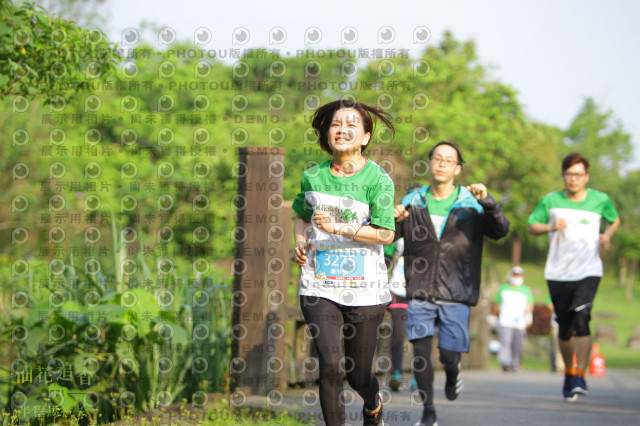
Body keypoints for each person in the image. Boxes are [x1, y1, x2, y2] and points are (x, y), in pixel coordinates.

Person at [292, 99, 396, 426]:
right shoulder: (312, 176)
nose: (342, 130)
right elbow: (299, 214)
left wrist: (339, 228)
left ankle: (372, 403)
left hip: (366, 290)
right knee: (330, 366)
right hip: (319, 285)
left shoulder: (378, 180)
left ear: (365, 137)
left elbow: (385, 235)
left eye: (352, 125)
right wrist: (299, 239)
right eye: (336, 124)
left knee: (358, 374)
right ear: (327, 133)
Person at [394, 141, 510, 426]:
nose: (443, 163)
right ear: (430, 164)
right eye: (437, 158)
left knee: (447, 355)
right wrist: (393, 219)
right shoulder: (413, 200)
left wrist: (489, 202)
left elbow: (501, 231)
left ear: (458, 169)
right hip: (420, 290)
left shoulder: (471, 203)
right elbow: (388, 237)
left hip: (456, 293)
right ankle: (429, 410)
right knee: (420, 354)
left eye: (449, 160)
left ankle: (454, 369)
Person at [528, 152, 619, 402]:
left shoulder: (600, 199)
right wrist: (550, 226)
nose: (573, 179)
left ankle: (581, 374)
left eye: (578, 174)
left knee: (582, 316)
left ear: (586, 176)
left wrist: (607, 235)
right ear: (563, 176)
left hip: (588, 270)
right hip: (558, 272)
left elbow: (614, 219)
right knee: (565, 329)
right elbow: (531, 225)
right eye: (569, 174)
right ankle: (569, 372)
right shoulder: (551, 201)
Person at [492, 265, 534, 372]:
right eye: (515, 275)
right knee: (505, 342)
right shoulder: (503, 288)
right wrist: (493, 316)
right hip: (505, 320)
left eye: (518, 275)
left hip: (519, 321)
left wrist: (529, 317)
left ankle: (516, 363)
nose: (516, 277)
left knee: (517, 344)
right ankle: (506, 363)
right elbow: (498, 304)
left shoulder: (526, 290)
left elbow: (530, 305)